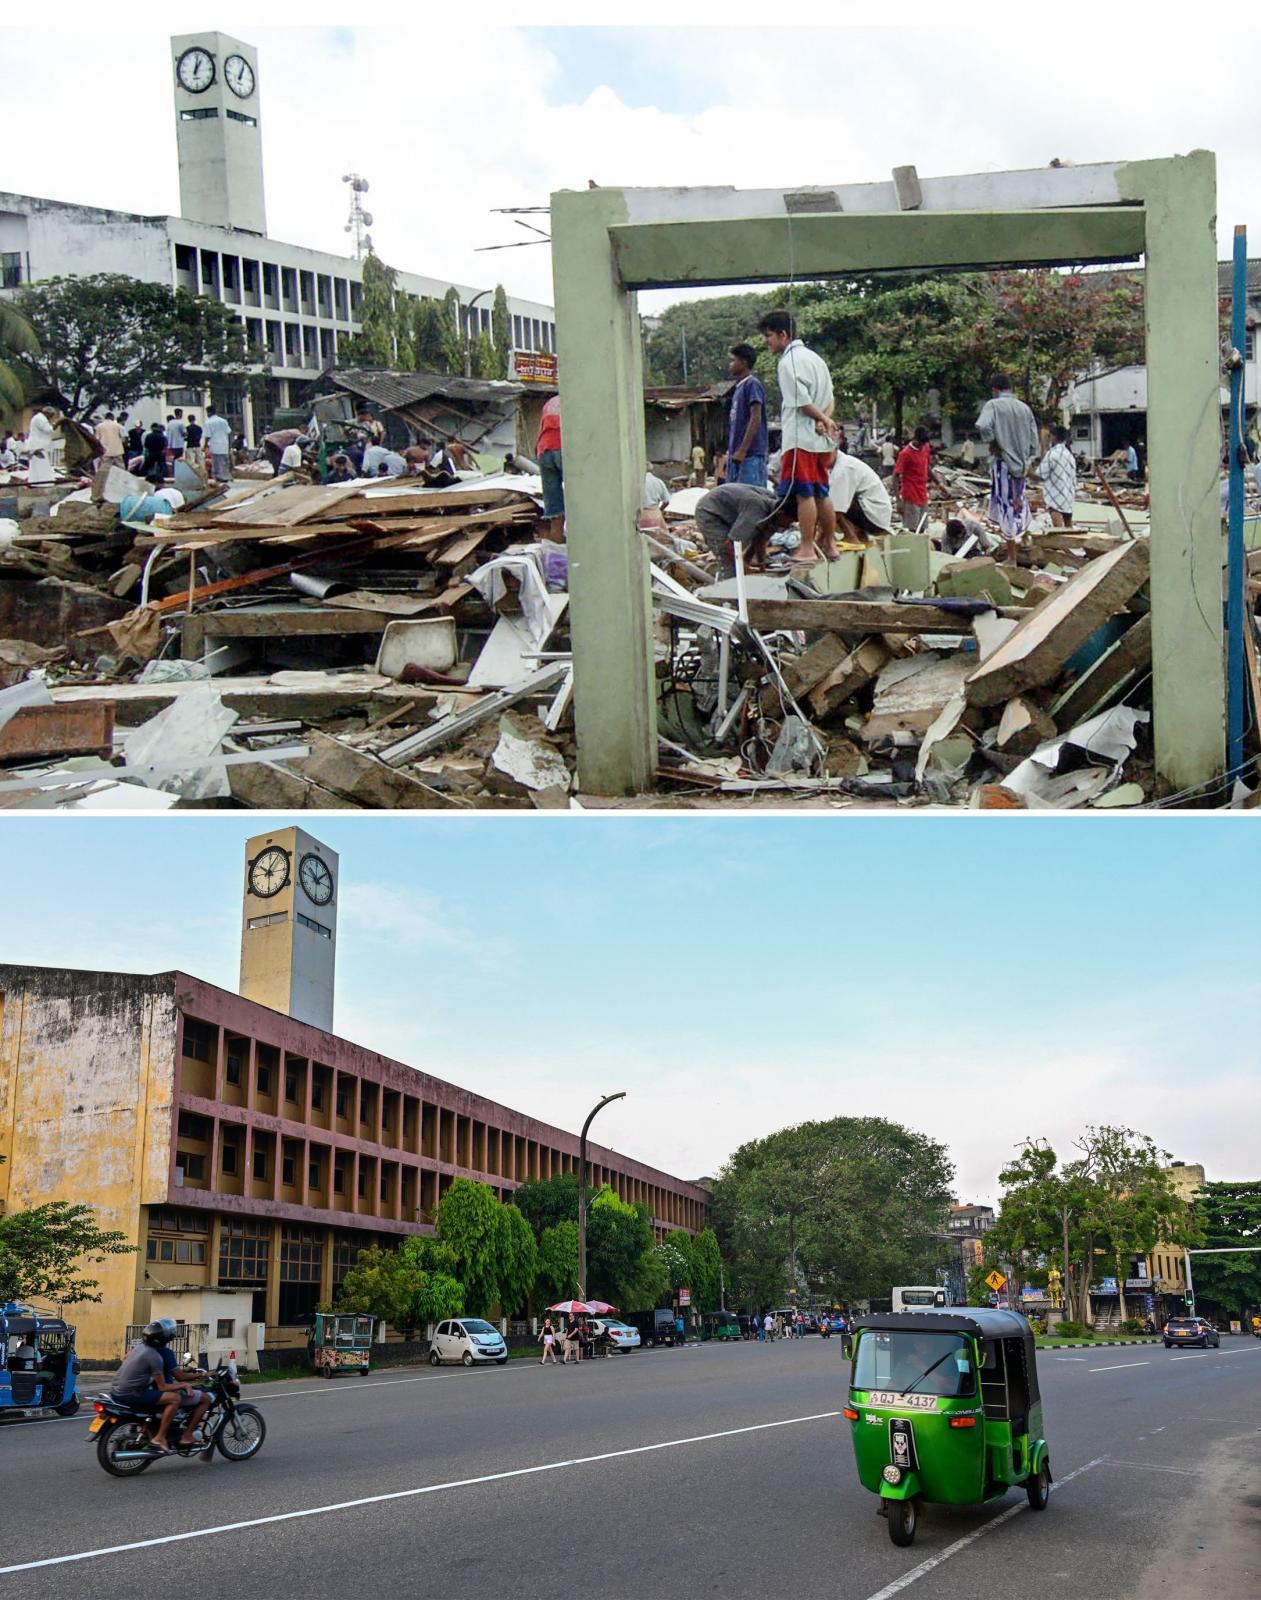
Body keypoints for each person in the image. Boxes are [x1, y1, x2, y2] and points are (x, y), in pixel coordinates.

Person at [757, 310, 838, 564]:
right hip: (820, 441)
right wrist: (824, 418)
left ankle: (806, 548)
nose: (765, 341)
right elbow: (830, 397)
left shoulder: (788, 362)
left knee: (804, 494)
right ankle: (831, 544)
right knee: (821, 493)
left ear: (783, 335)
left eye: (768, 336)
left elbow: (802, 402)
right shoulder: (816, 359)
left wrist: (822, 419)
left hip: (800, 439)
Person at [110, 1319, 210, 1454]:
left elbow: (125, 1358)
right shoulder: (155, 1356)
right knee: (175, 1398)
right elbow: (163, 1387)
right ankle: (161, 1438)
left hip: (116, 1390)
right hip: (132, 1394)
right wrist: (185, 1384)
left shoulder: (139, 1348)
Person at [976, 374, 1040, 559]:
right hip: (1021, 466)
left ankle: (1012, 558)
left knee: (1007, 508)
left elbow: (982, 426)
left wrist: (994, 440)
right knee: (1019, 502)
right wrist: (1027, 459)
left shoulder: (993, 405)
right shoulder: (1025, 409)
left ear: (995, 389)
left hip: (1003, 463)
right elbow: (1034, 443)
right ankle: (1026, 539)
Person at [695, 482, 796, 578]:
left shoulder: (773, 510)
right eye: (789, 521)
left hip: (728, 511)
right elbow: (730, 545)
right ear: (781, 514)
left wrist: (762, 565)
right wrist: (745, 568)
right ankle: (726, 591)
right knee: (729, 563)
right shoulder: (756, 511)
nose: (788, 526)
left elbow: (761, 538)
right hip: (710, 511)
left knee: (740, 563)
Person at [725, 343, 769, 486]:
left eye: (733, 360)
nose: (730, 364)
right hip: (735, 456)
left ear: (743, 363)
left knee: (751, 498)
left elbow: (756, 417)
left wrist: (743, 450)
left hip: (750, 455)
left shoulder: (752, 384)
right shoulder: (738, 388)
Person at [829, 450, 894, 544]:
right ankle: (858, 535)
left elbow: (837, 510)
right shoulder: (841, 463)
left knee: (835, 501)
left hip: (874, 517)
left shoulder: (844, 468)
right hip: (874, 513)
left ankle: (851, 536)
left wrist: (821, 538)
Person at [892, 427, 939, 532]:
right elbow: (895, 476)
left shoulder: (925, 447)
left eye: (923, 444)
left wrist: (939, 484)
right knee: (913, 529)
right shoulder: (905, 454)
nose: (922, 446)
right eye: (920, 443)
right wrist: (898, 500)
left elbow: (927, 467)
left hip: (922, 494)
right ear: (914, 439)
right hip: (910, 495)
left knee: (923, 526)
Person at [1037, 425, 1078, 527]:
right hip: (1067, 495)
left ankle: (1062, 539)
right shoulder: (1069, 455)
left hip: (1055, 495)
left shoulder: (1052, 454)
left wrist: (1027, 472)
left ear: (1054, 437)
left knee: (1058, 527)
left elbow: (1040, 475)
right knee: (1068, 525)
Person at [536, 394, 564, 542]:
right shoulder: (578, 400)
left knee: (555, 507)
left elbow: (540, 430)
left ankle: (556, 547)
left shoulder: (551, 402)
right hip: (563, 447)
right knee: (579, 500)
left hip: (544, 450)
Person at [25, 406, 59, 486]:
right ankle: (41, 482)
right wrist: (56, 424)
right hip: (37, 446)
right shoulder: (40, 419)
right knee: (40, 464)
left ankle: (40, 481)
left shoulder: (40, 418)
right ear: (48, 414)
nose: (51, 418)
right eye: (51, 416)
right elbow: (48, 429)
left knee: (40, 465)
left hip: (38, 446)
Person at [204, 406, 232, 482]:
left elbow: (207, 436)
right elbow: (228, 432)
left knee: (216, 462)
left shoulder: (208, 422)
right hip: (224, 444)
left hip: (215, 445)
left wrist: (205, 445)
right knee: (224, 462)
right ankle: (225, 476)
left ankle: (218, 477)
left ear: (209, 412)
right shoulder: (223, 421)